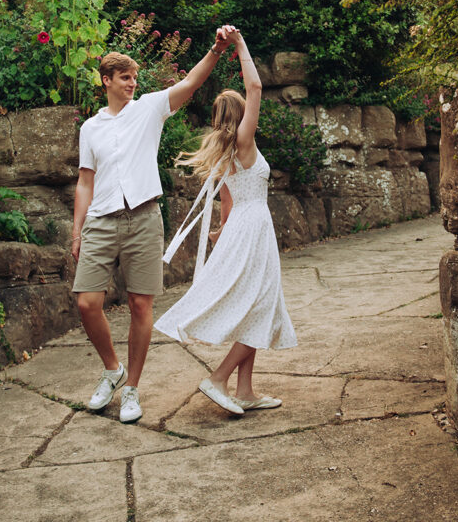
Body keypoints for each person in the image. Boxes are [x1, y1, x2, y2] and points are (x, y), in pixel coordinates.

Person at [72, 25, 237, 424]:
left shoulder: (149, 108)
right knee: (87, 303)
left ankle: (133, 389)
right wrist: (76, 231)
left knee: (140, 304)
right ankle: (113, 370)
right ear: (106, 80)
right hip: (100, 220)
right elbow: (84, 181)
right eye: (124, 77)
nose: (131, 83)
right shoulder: (90, 128)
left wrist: (216, 50)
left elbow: (192, 83)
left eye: (134, 77)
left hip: (144, 218)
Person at [154, 29, 297, 415]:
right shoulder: (245, 144)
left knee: (253, 306)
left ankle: (245, 391)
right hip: (254, 230)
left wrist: (221, 233)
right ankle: (218, 379)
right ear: (241, 116)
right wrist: (239, 45)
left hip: (241, 229)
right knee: (262, 306)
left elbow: (226, 203)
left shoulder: (227, 155)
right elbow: (255, 86)